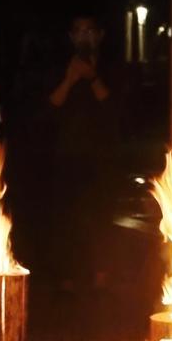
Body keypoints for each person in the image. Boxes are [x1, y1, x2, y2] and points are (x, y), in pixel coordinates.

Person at [43, 14, 123, 290]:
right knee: (66, 219)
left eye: (89, 30)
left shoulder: (112, 68)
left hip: (102, 159)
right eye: (78, 31)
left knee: (100, 217)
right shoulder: (58, 69)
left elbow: (115, 111)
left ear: (99, 35)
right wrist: (70, 79)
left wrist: (92, 78)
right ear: (71, 37)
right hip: (66, 157)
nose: (84, 36)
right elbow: (48, 110)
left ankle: (102, 278)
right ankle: (67, 279)